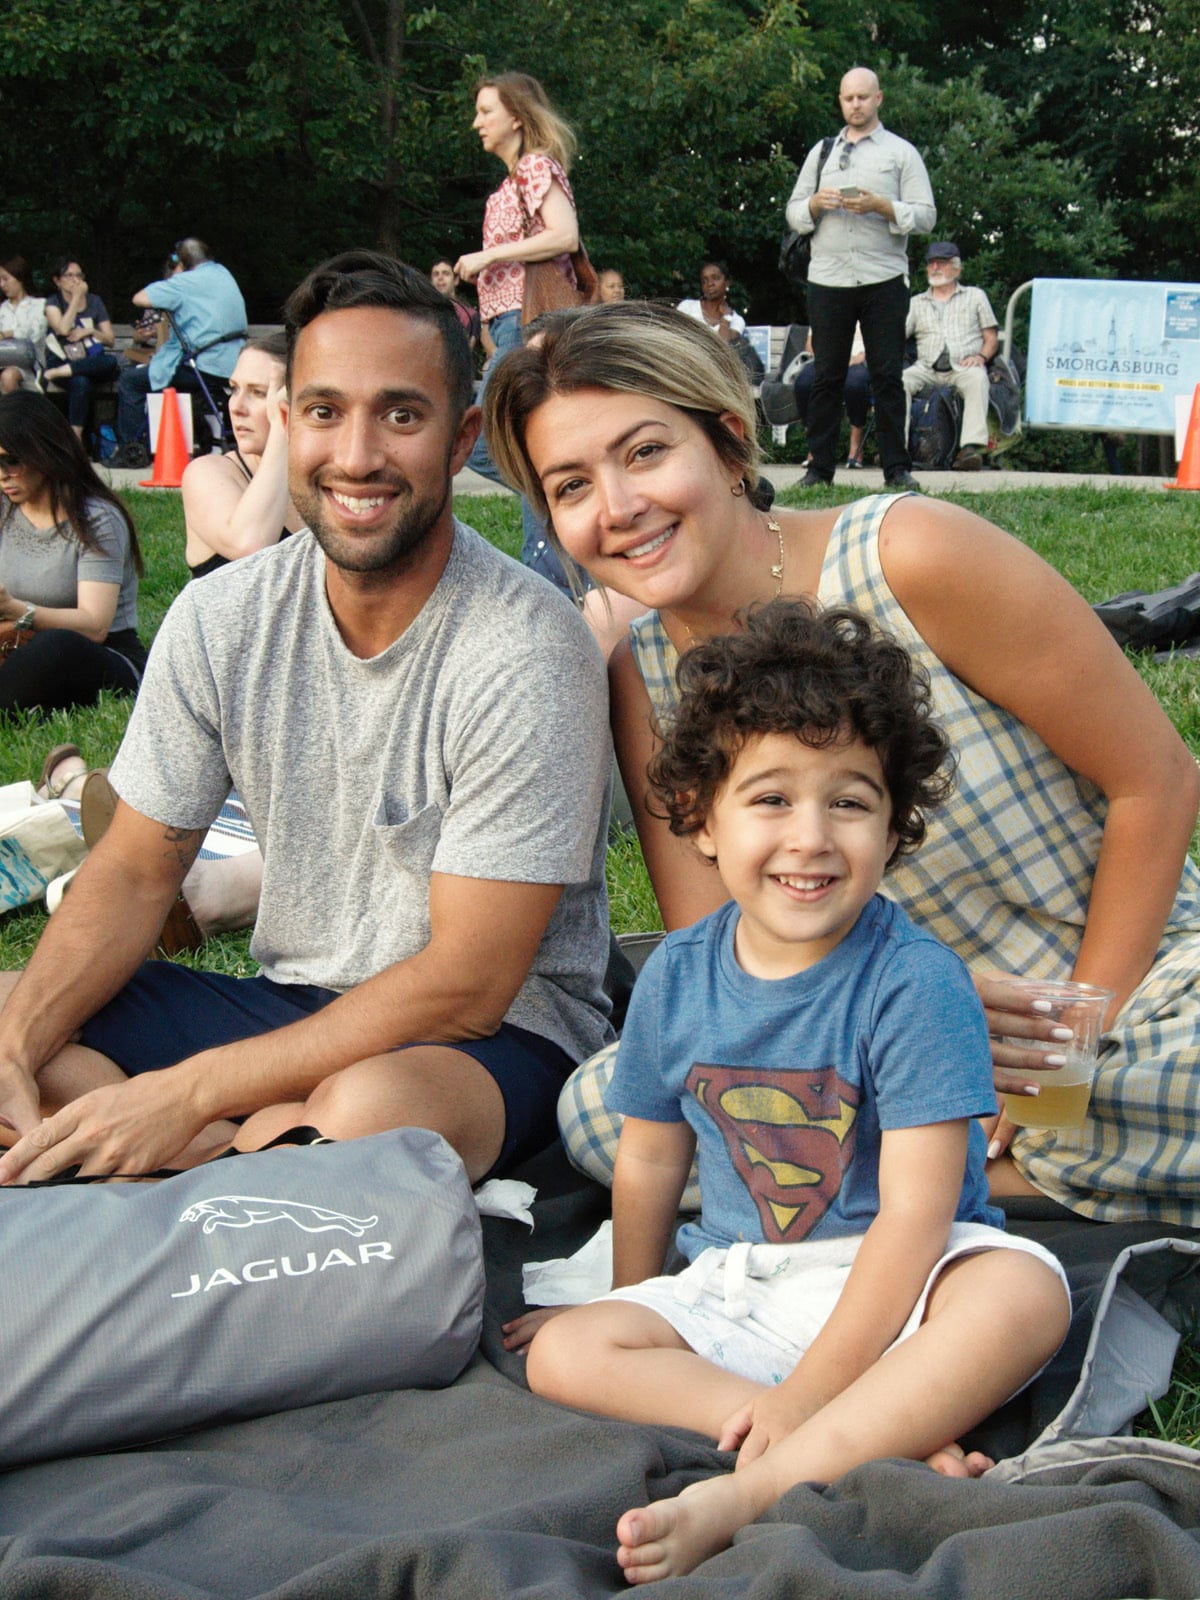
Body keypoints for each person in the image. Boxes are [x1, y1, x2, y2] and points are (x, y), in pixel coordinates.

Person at [484, 301, 1200, 1226]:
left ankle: (946, 1182)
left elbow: (1158, 780)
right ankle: (977, 1176)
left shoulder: (910, 553)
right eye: (571, 486)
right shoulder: (643, 679)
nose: (617, 508)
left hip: (1124, 990)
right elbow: (724, 952)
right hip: (864, 1026)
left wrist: (1071, 1043)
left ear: (730, 444)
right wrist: (918, 1013)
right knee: (604, 1113)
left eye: (646, 452)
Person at [0, 250, 613, 1188]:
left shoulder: (530, 647)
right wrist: (19, 1039)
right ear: (291, 424)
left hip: (493, 1038)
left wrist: (193, 1090)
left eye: (400, 414)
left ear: (461, 439)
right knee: (9, 1019)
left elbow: (469, 983)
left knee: (364, 1117)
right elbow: (131, 868)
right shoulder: (223, 616)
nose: (357, 455)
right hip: (293, 1005)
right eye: (325, 411)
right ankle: (228, 1153)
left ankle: (203, 1145)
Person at [524, 600, 1070, 1581]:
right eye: (771, 798)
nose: (810, 837)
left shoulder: (915, 981)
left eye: (850, 801)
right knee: (567, 1351)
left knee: (1024, 1294)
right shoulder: (678, 976)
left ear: (895, 825)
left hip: (908, 1275)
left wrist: (807, 1391)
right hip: (752, 1277)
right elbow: (650, 1155)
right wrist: (639, 1300)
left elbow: (915, 1216)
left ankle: (762, 1477)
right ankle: (870, 1430)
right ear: (700, 817)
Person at [785, 67, 935, 490]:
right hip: (829, 278)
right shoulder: (822, 152)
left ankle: (896, 470)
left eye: (863, 98)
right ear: (840, 100)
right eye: (848, 98)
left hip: (882, 277)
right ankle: (819, 471)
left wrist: (883, 207)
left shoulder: (901, 153)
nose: (855, 105)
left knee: (887, 374)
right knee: (826, 376)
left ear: (879, 99)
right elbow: (794, 213)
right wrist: (814, 204)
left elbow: (926, 215)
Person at [0, 391, 146, 716]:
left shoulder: (96, 518)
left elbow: (95, 625)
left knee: (56, 647)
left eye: (12, 461)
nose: (3, 474)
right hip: (17, 645)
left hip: (99, 654)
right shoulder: (3, 509)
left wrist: (16, 609)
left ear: (44, 452)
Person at [112, 238, 247, 461]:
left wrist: (176, 277)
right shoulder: (223, 274)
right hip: (233, 365)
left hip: (203, 367)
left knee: (131, 381)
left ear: (181, 262)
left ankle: (131, 449)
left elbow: (140, 298)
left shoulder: (183, 282)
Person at [180, 332, 302, 577]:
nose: (235, 407)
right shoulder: (208, 472)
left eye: (258, 392)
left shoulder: (327, 478)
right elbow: (251, 545)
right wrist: (282, 425)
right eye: (234, 389)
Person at [903, 241, 1000, 471]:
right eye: (931, 263)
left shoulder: (975, 296)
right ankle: (896, 447)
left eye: (942, 263)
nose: (935, 267)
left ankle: (970, 449)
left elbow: (992, 338)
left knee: (977, 378)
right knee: (898, 382)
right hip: (926, 367)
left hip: (963, 365)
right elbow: (896, 336)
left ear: (956, 268)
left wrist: (981, 357)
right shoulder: (916, 302)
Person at [40, 257, 121, 445]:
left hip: (91, 363)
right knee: (81, 381)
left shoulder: (95, 301)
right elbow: (63, 329)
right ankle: (75, 439)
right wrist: (76, 298)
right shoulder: (53, 302)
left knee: (110, 362)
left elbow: (110, 339)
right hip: (62, 361)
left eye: (78, 275)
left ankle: (53, 374)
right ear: (57, 280)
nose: (75, 280)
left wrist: (91, 331)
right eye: (69, 276)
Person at [794, 324, 871, 468]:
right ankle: (814, 446)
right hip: (826, 361)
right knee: (804, 385)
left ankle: (856, 445)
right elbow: (810, 345)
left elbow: (878, 343)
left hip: (859, 362)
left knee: (855, 385)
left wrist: (860, 357)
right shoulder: (826, 303)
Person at [0, 257, 47, 393]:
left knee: (8, 376)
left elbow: (35, 334)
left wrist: (7, 334)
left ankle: (11, 414)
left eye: (5, 279)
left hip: (31, 367)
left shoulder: (40, 305)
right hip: (3, 363)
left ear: (19, 277)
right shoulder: (2, 310)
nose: (2, 285)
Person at [676, 261, 745, 344]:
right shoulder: (687, 307)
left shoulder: (736, 320)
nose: (709, 284)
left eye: (715, 278)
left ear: (727, 283)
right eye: (704, 281)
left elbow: (724, 347)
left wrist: (726, 319)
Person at [430, 258, 480, 350]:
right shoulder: (424, 312)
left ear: (456, 280)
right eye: (436, 274)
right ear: (431, 281)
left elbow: (467, 350)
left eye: (446, 273)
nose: (440, 278)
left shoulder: (470, 315)